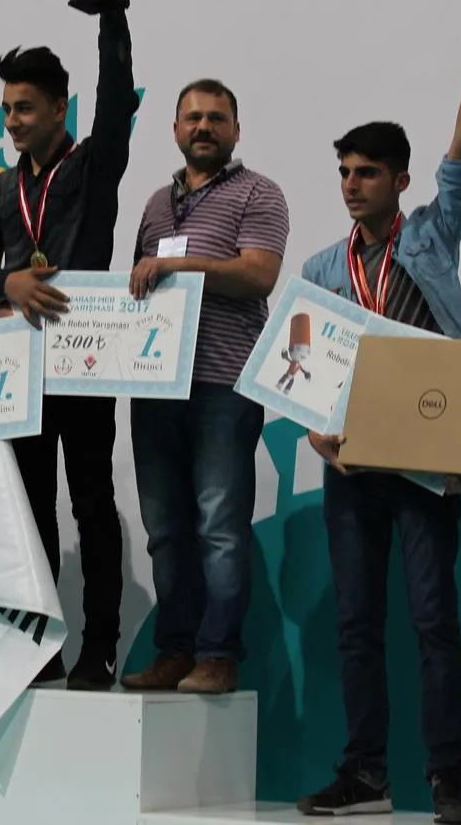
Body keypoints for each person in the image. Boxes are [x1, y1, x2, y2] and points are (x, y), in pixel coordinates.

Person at [295, 0, 461, 824]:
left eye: (366, 173)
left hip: (424, 465)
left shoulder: (428, 234)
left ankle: (448, 778)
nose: (351, 185)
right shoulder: (320, 268)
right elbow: (304, 367)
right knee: (356, 624)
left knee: (432, 621)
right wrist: (314, 430)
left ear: (399, 180)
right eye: (343, 173)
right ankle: (364, 772)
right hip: (351, 464)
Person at [0, 0, 139, 690]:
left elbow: (116, 98)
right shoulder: (0, 191)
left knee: (91, 504)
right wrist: (7, 281)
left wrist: (112, 15)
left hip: (85, 362)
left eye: (25, 108)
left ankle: (100, 646)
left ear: (59, 108)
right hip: (19, 371)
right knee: (27, 511)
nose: (13, 121)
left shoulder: (92, 165)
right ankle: (39, 646)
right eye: (6, 110)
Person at [119, 79, 287, 696]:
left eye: (217, 118)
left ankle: (217, 654)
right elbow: (137, 285)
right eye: (193, 118)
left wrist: (179, 265)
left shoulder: (259, 193)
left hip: (223, 384)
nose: (204, 127)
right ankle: (176, 649)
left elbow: (259, 275)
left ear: (236, 130)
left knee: (219, 525)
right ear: (175, 129)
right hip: (155, 385)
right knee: (165, 530)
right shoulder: (155, 204)